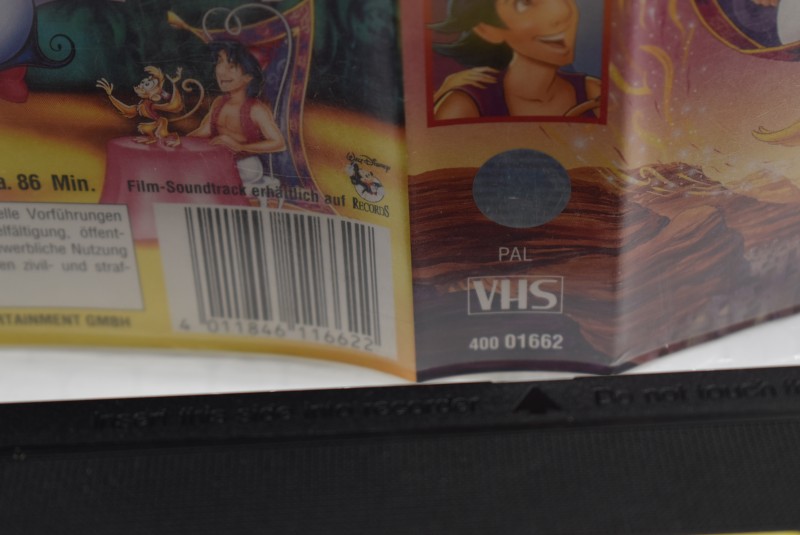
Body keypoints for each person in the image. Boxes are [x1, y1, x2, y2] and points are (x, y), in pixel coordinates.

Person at [430, 0, 602, 120]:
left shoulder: (593, 92)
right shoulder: (465, 105)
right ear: (486, 30)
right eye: (524, 3)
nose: (563, 12)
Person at [189, 41, 286, 192]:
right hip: (219, 161)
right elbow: (204, 131)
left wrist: (241, 147)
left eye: (231, 66)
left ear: (248, 77)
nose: (221, 71)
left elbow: (279, 143)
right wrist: (180, 141)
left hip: (246, 165)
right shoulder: (219, 102)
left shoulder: (256, 109)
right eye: (219, 62)